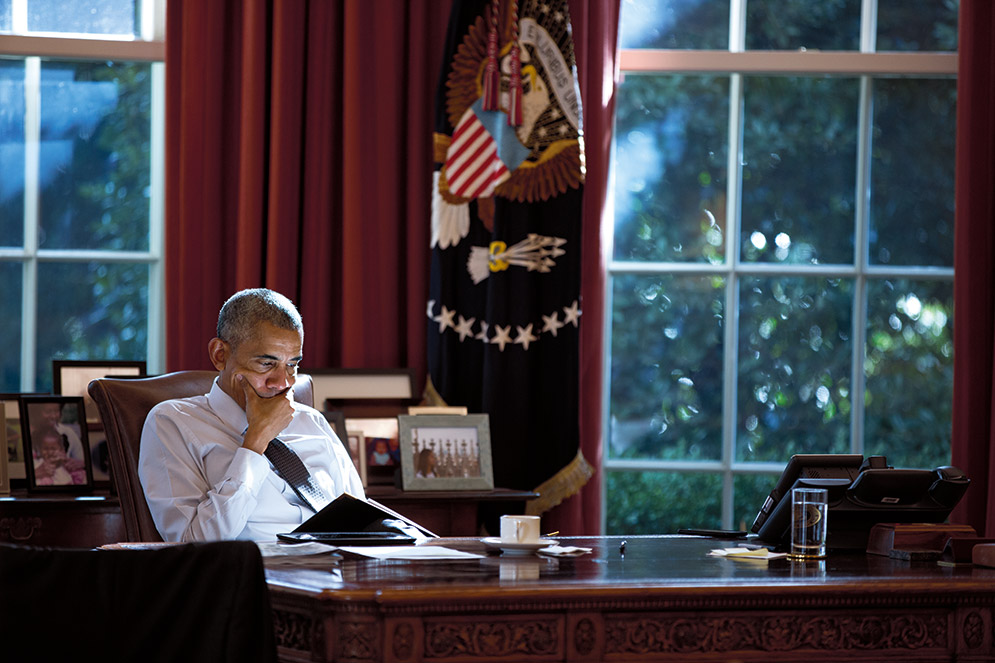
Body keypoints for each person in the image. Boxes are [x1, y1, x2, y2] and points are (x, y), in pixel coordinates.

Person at [139, 288, 365, 542]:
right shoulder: (171, 422)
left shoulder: (312, 422)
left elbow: (361, 525)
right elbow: (193, 545)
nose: (282, 383)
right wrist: (255, 443)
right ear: (220, 355)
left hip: (333, 572)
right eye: (266, 364)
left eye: (292, 365)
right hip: (249, 575)